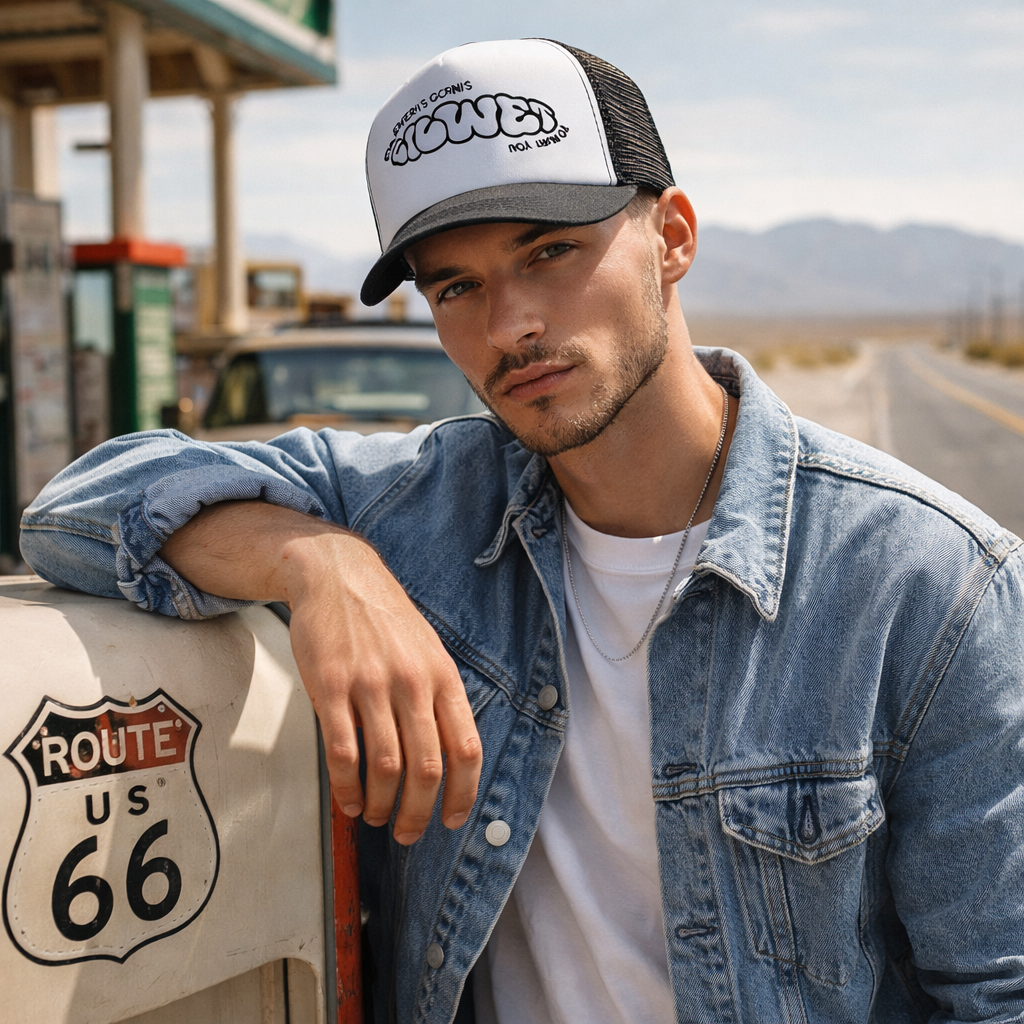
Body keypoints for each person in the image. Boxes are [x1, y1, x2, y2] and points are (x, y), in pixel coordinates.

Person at [21, 38, 1024, 1024]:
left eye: (549, 251)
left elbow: (993, 989)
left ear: (672, 237)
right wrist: (323, 564)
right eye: (453, 286)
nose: (507, 326)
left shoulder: (928, 583)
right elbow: (79, 506)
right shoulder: (417, 509)